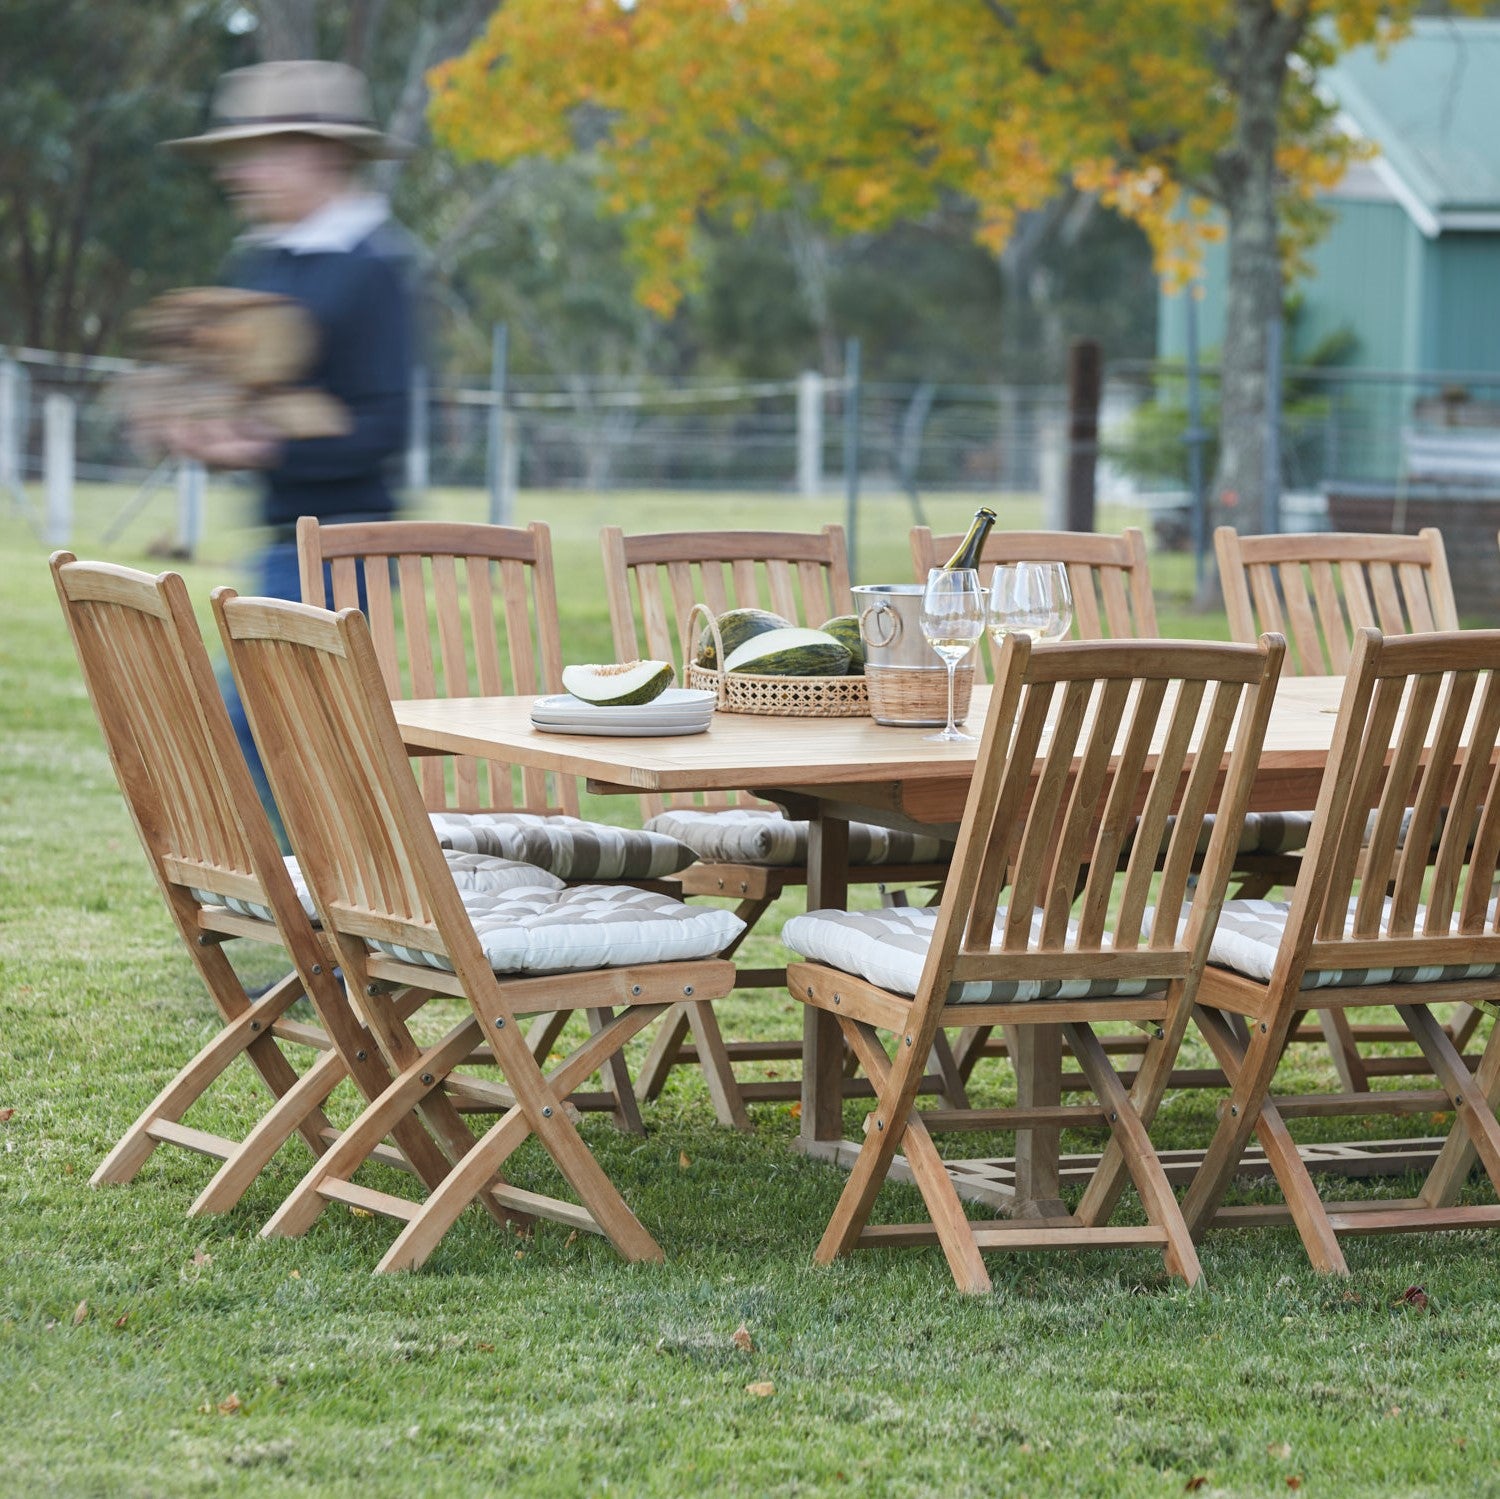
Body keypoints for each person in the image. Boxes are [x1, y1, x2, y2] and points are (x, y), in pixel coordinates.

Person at [163, 60, 418, 838]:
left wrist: (259, 448)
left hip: (345, 546)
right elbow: (252, 390)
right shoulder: (266, 258)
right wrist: (205, 427)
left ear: (321, 154)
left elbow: (383, 427)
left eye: (261, 153)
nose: (243, 173)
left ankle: (337, 915)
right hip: (279, 543)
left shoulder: (374, 266)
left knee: (283, 732)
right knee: (258, 729)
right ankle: (313, 912)